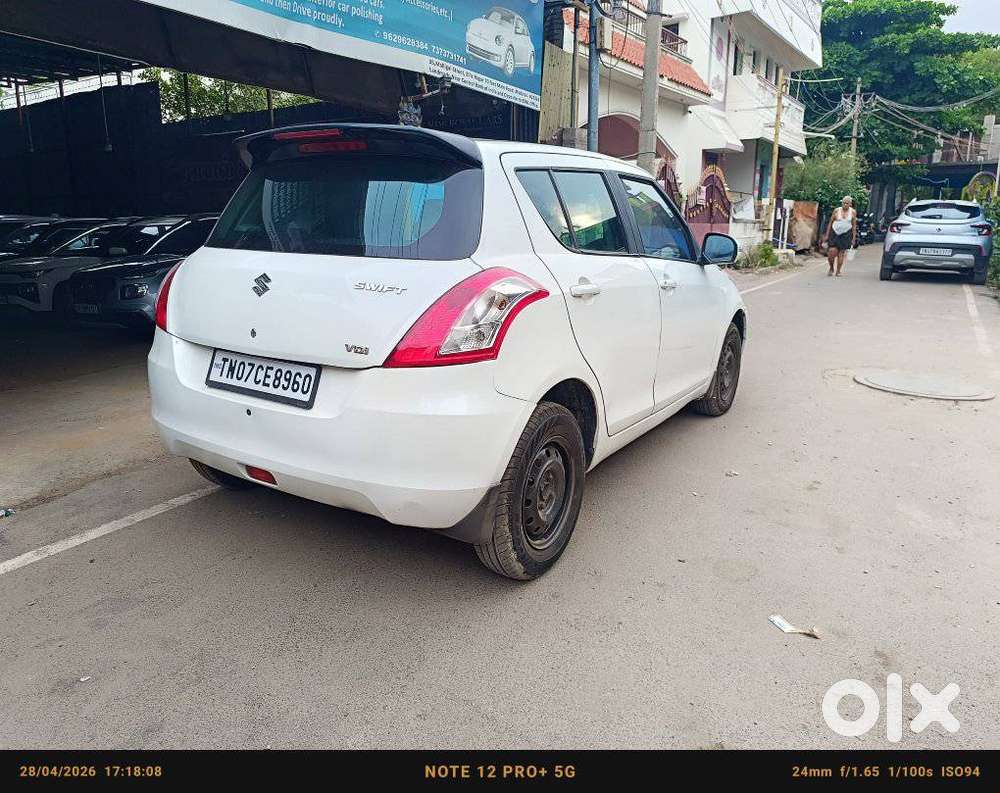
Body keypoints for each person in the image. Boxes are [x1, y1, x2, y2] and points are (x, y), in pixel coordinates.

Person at [822, 196, 857, 277]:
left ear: (850, 204)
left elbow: (854, 225)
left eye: (847, 203)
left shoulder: (853, 212)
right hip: (834, 233)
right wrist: (827, 235)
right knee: (831, 252)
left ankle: (838, 271)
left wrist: (853, 238)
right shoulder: (837, 210)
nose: (845, 205)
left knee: (841, 253)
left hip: (846, 234)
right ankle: (831, 268)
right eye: (843, 203)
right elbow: (830, 222)